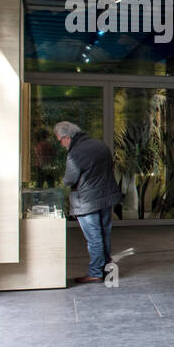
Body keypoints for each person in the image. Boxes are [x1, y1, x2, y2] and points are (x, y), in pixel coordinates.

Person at [54, 121, 122, 284]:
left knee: (94, 238)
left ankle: (96, 272)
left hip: (87, 201)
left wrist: (62, 180)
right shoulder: (100, 145)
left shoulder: (75, 153)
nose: (61, 144)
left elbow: (70, 180)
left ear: (67, 137)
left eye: (60, 140)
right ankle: (107, 270)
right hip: (106, 197)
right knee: (104, 234)